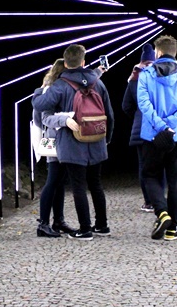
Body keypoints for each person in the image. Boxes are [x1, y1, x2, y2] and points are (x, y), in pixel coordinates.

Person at [32, 44, 115, 240]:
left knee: (78, 185)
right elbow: (109, 114)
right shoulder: (98, 83)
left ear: (66, 63)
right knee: (96, 184)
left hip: (72, 142)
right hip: (96, 139)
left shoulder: (60, 85)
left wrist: (40, 90)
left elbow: (39, 105)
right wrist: (106, 138)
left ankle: (85, 229)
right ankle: (102, 225)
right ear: (83, 62)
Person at [136, 34, 177, 241]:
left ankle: (162, 213)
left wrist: (161, 125)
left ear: (157, 52)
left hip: (152, 136)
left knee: (150, 176)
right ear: (175, 52)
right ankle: (173, 228)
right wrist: (172, 124)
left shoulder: (146, 75)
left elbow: (143, 104)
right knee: (175, 183)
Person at [32, 59, 76, 237]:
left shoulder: (50, 89)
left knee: (59, 181)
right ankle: (43, 223)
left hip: (59, 138)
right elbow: (42, 118)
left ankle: (58, 220)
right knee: (53, 180)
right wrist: (63, 120)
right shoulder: (50, 91)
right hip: (55, 139)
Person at [122, 43, 157, 212]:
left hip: (141, 128)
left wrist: (137, 116)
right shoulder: (160, 77)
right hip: (159, 127)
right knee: (160, 165)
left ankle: (148, 201)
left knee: (144, 166)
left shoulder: (134, 79)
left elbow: (126, 106)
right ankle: (159, 199)